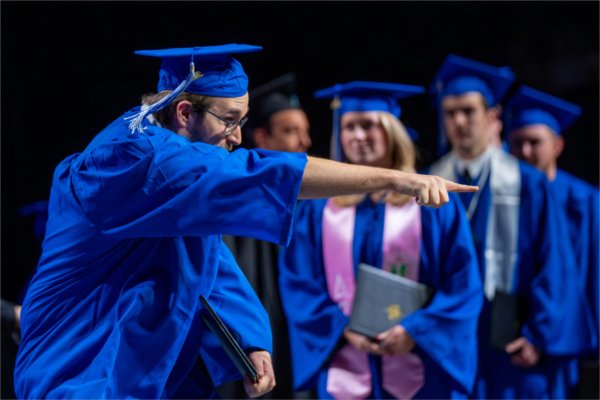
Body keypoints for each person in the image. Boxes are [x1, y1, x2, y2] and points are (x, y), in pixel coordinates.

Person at [13, 44, 476, 399]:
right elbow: (262, 171)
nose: (236, 136)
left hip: (127, 365)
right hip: (80, 363)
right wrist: (400, 178)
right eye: (230, 120)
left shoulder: (162, 157)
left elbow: (208, 258)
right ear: (184, 112)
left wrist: (252, 338)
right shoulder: (136, 160)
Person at [278, 80, 483, 399]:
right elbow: (299, 281)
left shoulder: (434, 203)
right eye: (349, 127)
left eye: (369, 125)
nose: (358, 136)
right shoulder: (318, 210)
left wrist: (415, 331)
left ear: (392, 132)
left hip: (419, 368)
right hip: (344, 363)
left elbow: (463, 282)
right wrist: (343, 328)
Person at [427, 54, 582, 399]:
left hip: (511, 338)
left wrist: (538, 334)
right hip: (450, 338)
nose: (460, 122)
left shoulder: (528, 183)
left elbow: (554, 261)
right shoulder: (428, 183)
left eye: (469, 111)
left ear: (492, 117)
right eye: (451, 113)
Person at [220, 72, 312, 399]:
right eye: (290, 132)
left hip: (299, 334)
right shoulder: (234, 198)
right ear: (261, 137)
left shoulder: (316, 208)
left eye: (306, 131)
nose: (304, 142)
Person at [504, 85, 599, 398]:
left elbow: (591, 275)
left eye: (535, 142)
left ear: (558, 145)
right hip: (513, 334)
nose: (526, 152)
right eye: (517, 143)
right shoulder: (505, 198)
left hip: (569, 333)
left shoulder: (585, 200)